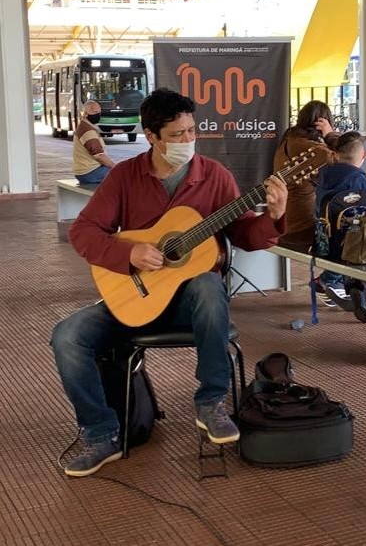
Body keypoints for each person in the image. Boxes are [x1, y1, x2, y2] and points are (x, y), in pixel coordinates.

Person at [51, 88, 289, 478]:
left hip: (193, 308)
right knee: (67, 335)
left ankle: (211, 402)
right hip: (137, 300)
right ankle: (100, 433)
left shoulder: (214, 176)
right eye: (177, 134)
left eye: (192, 131)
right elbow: (83, 232)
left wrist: (275, 216)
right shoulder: (125, 177)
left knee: (209, 285)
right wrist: (127, 254)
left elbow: (246, 235)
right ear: (151, 136)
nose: (188, 140)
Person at [272, 100, 339, 304]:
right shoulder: (309, 146)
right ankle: (330, 281)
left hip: (288, 221)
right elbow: (346, 158)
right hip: (301, 227)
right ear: (320, 122)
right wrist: (330, 134)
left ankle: (336, 282)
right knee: (351, 236)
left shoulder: (290, 140)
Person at [314, 131, 366, 323]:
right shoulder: (359, 179)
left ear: (337, 153)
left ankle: (337, 282)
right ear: (364, 155)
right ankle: (341, 283)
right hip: (348, 243)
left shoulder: (324, 173)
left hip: (322, 237)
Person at [73, 101, 116, 185]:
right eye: (95, 112)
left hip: (84, 171)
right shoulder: (88, 131)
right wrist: (115, 167)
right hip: (90, 172)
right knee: (123, 175)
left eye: (99, 112)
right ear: (85, 113)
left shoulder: (84, 126)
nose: (98, 114)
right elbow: (99, 156)